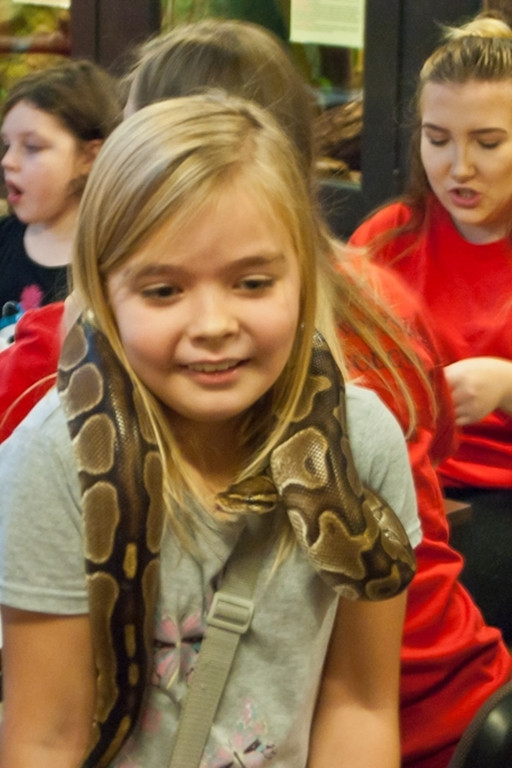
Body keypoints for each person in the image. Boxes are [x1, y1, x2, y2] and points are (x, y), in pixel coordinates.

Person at [1, 19, 510, 767]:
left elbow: (360, 704)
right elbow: (46, 736)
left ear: (308, 275)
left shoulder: (359, 436)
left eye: (253, 282)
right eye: (165, 288)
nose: (214, 324)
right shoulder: (50, 460)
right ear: (104, 297)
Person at [350, 11, 512, 645]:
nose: (459, 167)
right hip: (399, 487)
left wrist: (505, 385)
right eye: (438, 138)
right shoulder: (387, 236)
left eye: (488, 142)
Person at [0, 58, 122, 312]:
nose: (8, 161)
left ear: (89, 158)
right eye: (7, 145)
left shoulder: (114, 257)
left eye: (32, 147)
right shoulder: (4, 239)